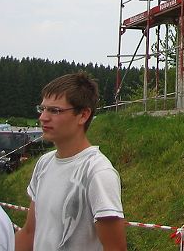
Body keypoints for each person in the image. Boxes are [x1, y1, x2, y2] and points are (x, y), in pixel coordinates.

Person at [15, 72, 127, 251]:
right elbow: (29, 233)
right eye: (42, 109)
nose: (43, 117)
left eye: (54, 110)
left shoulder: (97, 173)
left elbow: (115, 248)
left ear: (83, 115)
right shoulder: (44, 164)